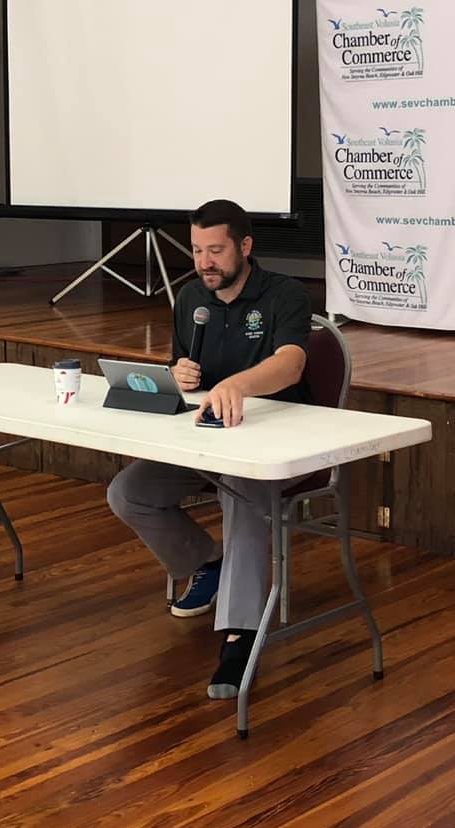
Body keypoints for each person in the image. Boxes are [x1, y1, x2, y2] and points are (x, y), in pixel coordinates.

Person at [106, 199, 312, 699]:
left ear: (245, 246)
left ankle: (240, 635)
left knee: (240, 492)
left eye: (215, 250)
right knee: (128, 493)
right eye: (197, 250)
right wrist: (177, 373)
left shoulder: (284, 293)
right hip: (206, 438)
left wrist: (238, 384)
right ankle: (208, 562)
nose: (204, 262)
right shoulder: (191, 297)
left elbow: (292, 363)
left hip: (277, 443)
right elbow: (183, 368)